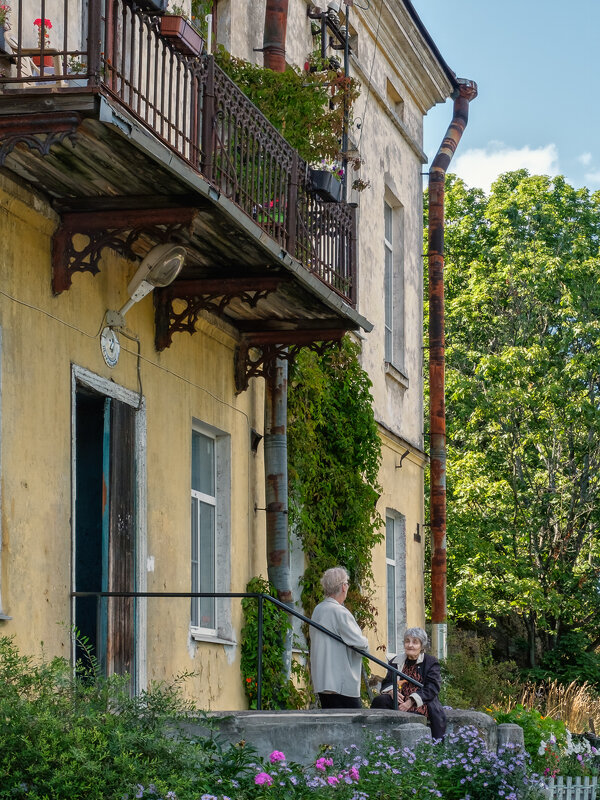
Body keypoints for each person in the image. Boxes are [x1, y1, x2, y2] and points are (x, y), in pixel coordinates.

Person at [370, 627, 446, 740]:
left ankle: (433, 745)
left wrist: (411, 701)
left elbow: (432, 687)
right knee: (379, 701)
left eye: (415, 642)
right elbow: (387, 682)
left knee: (429, 714)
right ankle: (376, 736)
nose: (410, 645)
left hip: (422, 701)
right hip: (398, 700)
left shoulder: (430, 662)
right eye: (407, 641)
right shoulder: (396, 661)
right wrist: (391, 692)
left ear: (422, 646)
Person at [310, 566, 369, 709]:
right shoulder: (339, 612)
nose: (347, 586)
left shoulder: (318, 609)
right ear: (343, 587)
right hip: (340, 683)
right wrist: (366, 643)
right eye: (347, 583)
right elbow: (359, 642)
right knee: (354, 727)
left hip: (323, 680)